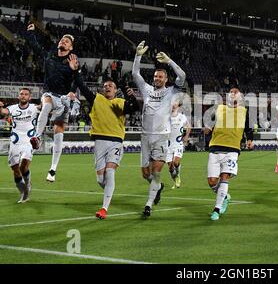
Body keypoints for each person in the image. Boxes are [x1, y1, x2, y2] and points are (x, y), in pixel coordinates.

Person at [132, 41, 186, 218]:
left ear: (166, 79)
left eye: (160, 77)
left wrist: (169, 61)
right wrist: (138, 55)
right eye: (155, 76)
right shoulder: (146, 90)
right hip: (145, 137)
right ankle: (159, 187)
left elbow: (183, 76)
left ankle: (148, 205)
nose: (157, 79)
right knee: (145, 174)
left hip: (162, 137)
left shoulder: (171, 92)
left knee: (155, 172)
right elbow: (135, 73)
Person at [73, 76, 138, 219]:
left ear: (115, 90)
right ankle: (109, 192)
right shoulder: (97, 99)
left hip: (115, 142)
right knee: (100, 180)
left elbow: (134, 107)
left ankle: (104, 209)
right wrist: (75, 72)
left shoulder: (120, 102)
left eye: (110, 86)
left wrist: (127, 91)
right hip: (99, 143)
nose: (107, 87)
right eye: (105, 85)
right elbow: (82, 87)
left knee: (110, 171)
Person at [26, 23, 80, 183]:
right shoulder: (50, 55)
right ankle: (37, 137)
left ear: (70, 48)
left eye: (67, 41)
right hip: (49, 93)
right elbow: (36, 47)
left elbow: (77, 81)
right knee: (46, 103)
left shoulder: (73, 61)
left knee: (59, 132)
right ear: (59, 43)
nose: (64, 41)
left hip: (63, 99)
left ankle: (53, 169)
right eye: (63, 39)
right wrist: (30, 33)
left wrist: (74, 74)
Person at [204, 87, 254, 221]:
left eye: (236, 92)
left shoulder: (244, 111)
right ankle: (225, 196)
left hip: (232, 149)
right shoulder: (219, 108)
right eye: (231, 92)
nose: (233, 94)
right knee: (212, 181)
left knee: (224, 176)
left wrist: (250, 140)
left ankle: (217, 209)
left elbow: (249, 128)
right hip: (215, 147)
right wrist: (207, 128)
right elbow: (210, 122)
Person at [0, 88, 39, 203]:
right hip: (15, 141)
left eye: (26, 94)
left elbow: (46, 107)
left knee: (23, 166)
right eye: (21, 94)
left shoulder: (34, 108)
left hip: (29, 141)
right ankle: (23, 192)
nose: (23, 96)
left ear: (29, 97)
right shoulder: (13, 108)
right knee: (15, 169)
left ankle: (27, 185)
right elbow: (3, 112)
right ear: (18, 96)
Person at [166, 100, 191, 189]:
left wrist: (186, 136)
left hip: (178, 144)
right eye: (172, 103)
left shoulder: (182, 117)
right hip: (167, 145)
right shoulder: (166, 116)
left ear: (178, 105)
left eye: (175, 103)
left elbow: (189, 127)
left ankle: (178, 175)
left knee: (175, 162)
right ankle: (176, 178)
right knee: (170, 168)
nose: (173, 104)